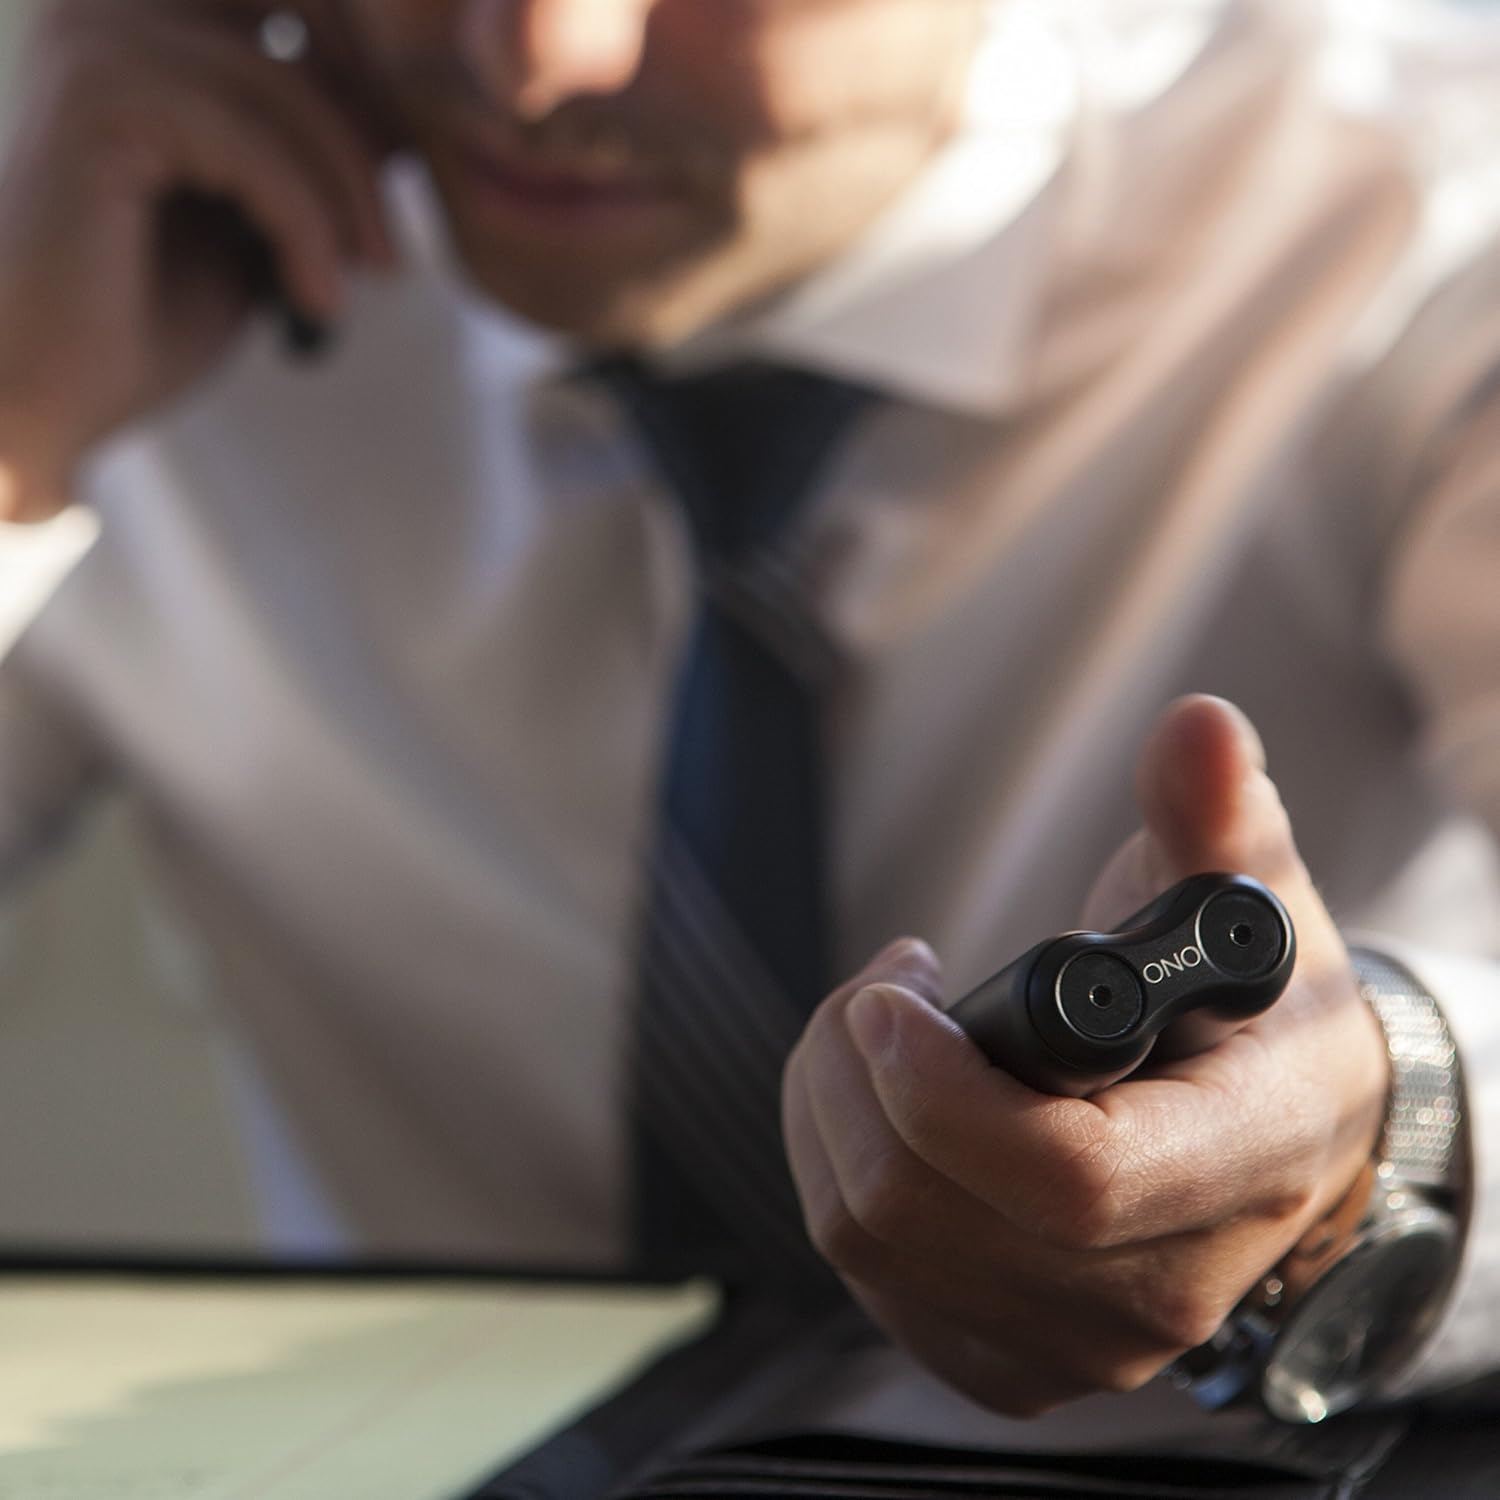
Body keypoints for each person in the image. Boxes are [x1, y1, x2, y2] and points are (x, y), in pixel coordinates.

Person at [0, 0, 1496, 1422]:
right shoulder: (117, 248)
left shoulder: (1422, 228)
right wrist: (13, 437)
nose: (533, 58)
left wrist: (1393, 1129)